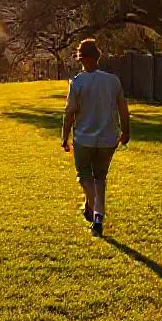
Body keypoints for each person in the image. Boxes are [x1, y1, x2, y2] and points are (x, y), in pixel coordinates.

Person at [61, 39, 130, 237]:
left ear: (80, 58)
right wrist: (126, 131)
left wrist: (64, 137)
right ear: (98, 57)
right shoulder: (112, 81)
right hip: (108, 139)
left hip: (84, 139)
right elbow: (122, 109)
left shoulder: (77, 82)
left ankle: (92, 205)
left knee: (85, 177)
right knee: (100, 178)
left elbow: (69, 112)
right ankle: (97, 217)